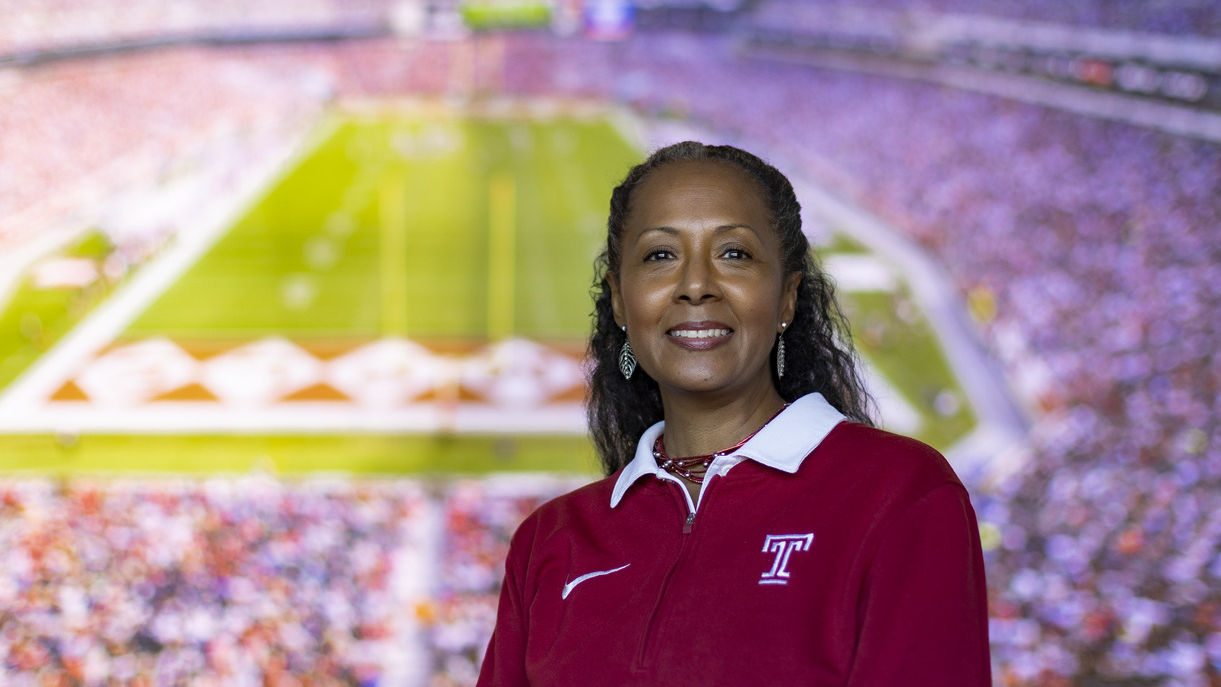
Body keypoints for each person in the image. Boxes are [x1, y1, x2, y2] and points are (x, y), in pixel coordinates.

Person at [476, 142, 990, 686]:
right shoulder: (550, 539)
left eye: (734, 254)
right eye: (659, 256)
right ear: (621, 301)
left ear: (787, 297)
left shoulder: (899, 493)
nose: (696, 285)